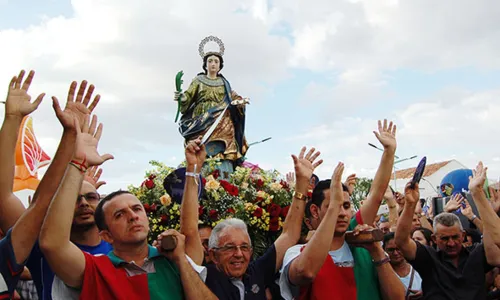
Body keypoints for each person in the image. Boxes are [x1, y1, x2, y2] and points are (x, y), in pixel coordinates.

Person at [39, 116, 215, 299]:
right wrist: (78, 164)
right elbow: (52, 243)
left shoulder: (175, 261)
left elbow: (190, 230)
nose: (132, 216)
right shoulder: (94, 269)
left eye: (137, 209)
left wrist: (192, 169)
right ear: (106, 235)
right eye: (119, 215)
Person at [280, 120, 405, 300]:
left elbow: (376, 195)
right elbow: (305, 272)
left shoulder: (363, 246)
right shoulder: (297, 253)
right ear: (315, 211)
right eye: (333, 206)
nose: (342, 213)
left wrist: (389, 152)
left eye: (346, 206)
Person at [204, 147, 323, 299]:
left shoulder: (256, 272)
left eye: (245, 247)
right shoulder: (204, 277)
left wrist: (301, 184)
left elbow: (290, 235)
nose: (239, 254)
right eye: (230, 247)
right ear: (213, 254)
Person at [395, 164, 500, 299]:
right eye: (444, 239)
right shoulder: (429, 258)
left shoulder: (477, 254)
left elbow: (496, 249)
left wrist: (481, 199)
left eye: (455, 237)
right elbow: (401, 241)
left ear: (463, 236)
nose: (451, 243)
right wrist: (410, 204)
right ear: (433, 239)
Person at [174, 36, 247, 175]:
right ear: (205, 64)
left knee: (225, 148)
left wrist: (239, 102)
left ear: (220, 65)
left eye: (216, 61)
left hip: (222, 122)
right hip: (202, 120)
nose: (213, 64)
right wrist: (182, 97)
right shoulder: (198, 80)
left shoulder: (224, 83)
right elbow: (188, 96)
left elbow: (233, 97)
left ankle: (224, 176)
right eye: (210, 61)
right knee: (199, 145)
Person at [383, 233, 423, 298]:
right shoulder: (382, 274)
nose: (395, 253)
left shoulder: (419, 269)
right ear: (384, 250)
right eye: (391, 250)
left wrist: (424, 293)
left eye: (398, 249)